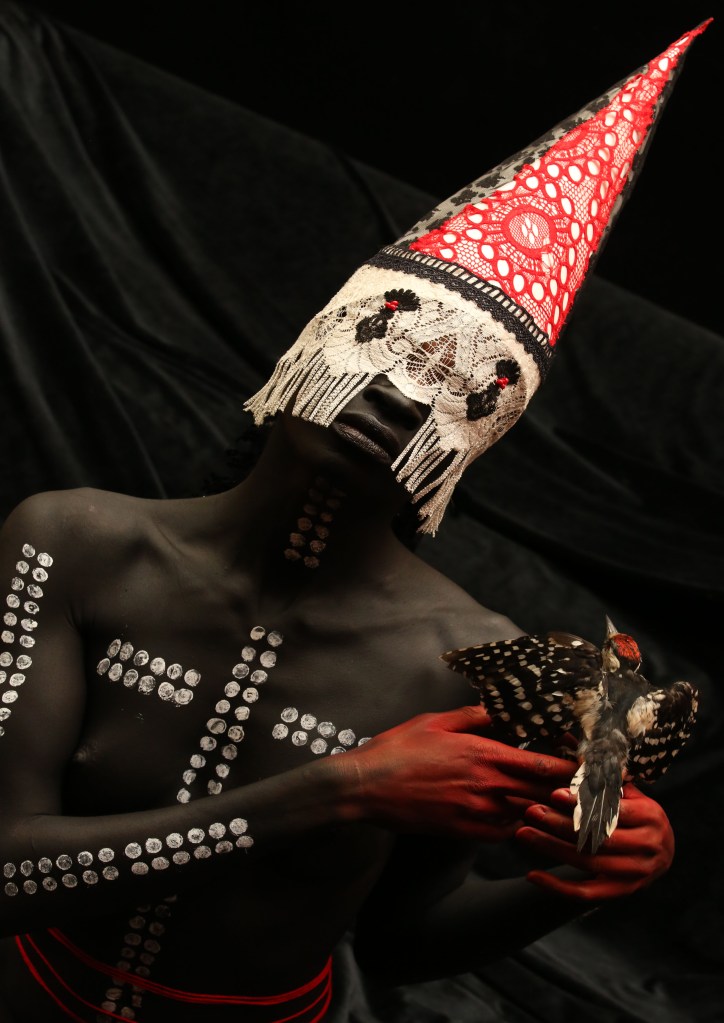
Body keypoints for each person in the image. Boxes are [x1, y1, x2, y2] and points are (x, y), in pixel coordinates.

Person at [0, 21, 706, 1023]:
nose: (412, 390)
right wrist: (345, 789)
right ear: (312, 338)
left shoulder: (468, 661)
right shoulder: (72, 546)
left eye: (472, 384)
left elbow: (401, 943)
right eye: (393, 334)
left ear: (489, 433)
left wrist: (572, 882)